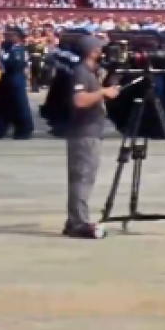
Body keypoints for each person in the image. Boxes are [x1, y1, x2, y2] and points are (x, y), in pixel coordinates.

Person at [64, 36, 119, 239]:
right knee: (83, 178)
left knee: (82, 177)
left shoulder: (90, 72)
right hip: (84, 133)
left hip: (89, 131)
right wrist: (103, 92)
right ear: (93, 51)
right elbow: (79, 100)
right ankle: (79, 222)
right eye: (100, 49)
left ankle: (74, 220)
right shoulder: (81, 72)